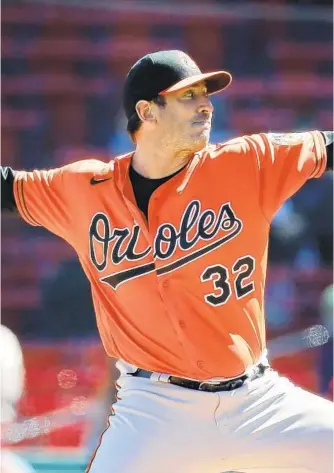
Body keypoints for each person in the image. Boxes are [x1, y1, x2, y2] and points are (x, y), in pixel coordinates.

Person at [1, 50, 333, 473]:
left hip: (258, 402)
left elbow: (327, 146)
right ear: (146, 111)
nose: (206, 104)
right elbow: (7, 188)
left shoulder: (248, 162)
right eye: (188, 95)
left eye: (206, 94)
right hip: (155, 412)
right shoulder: (83, 188)